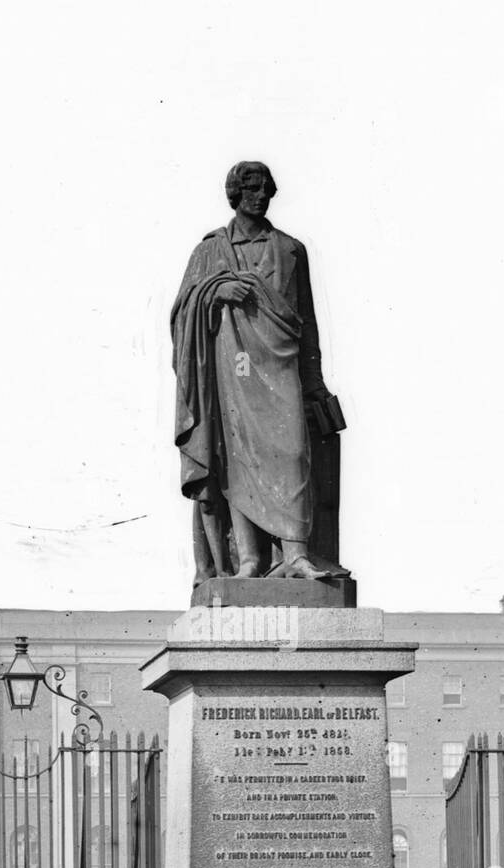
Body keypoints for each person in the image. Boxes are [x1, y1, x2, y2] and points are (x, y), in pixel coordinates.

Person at [172, 160, 350, 585]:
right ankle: (249, 559)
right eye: (250, 187)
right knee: (235, 458)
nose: (259, 194)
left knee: (292, 453)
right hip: (234, 369)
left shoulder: (291, 250)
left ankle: (296, 553)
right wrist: (215, 291)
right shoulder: (210, 250)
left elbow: (306, 321)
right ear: (235, 193)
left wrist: (315, 382)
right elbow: (182, 311)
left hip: (281, 363)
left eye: (266, 187)